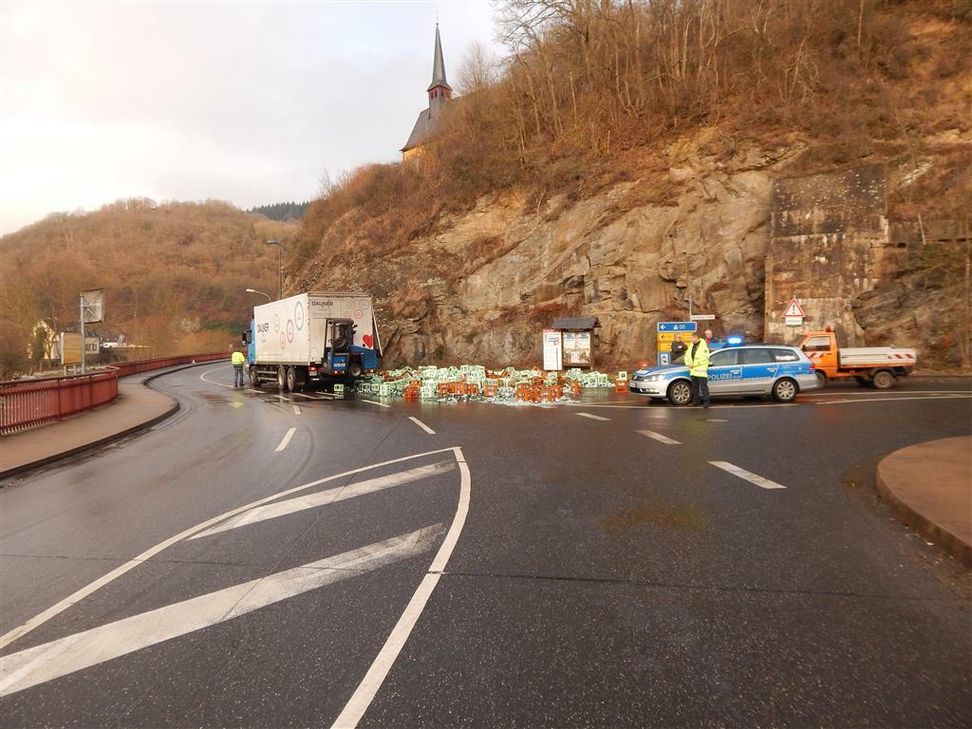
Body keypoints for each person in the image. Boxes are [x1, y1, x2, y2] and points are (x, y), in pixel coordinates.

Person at [683, 331, 710, 407]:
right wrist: (688, 364)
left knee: (704, 388)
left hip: (701, 371)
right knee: (695, 388)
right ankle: (696, 401)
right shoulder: (691, 345)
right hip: (693, 371)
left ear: (696, 337)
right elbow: (686, 356)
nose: (690, 339)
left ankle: (706, 402)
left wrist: (693, 365)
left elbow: (704, 358)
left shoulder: (703, 346)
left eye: (691, 338)